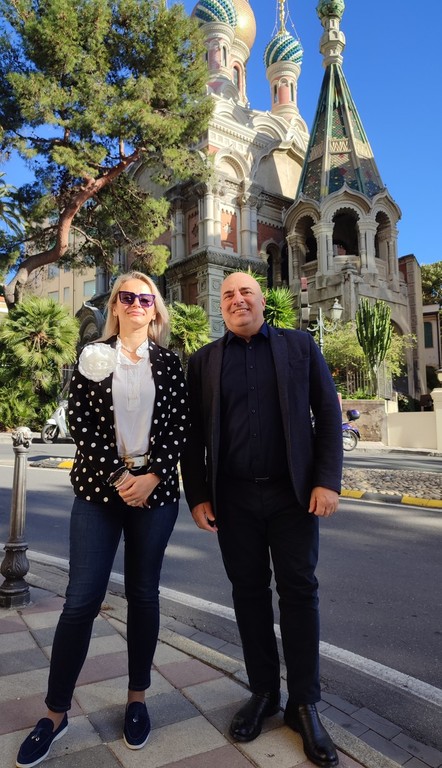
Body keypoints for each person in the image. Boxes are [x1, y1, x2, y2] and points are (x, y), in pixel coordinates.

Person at [16, 271, 188, 767]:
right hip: (98, 492)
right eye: (126, 297)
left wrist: (152, 476)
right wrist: (121, 477)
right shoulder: (93, 356)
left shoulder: (169, 363)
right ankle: (55, 714)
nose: (136, 304)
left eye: (145, 298)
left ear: (155, 309)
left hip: (155, 494)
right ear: (114, 306)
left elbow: (179, 425)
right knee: (80, 601)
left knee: (144, 595)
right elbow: (83, 426)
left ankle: (136, 700)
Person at [181, 272, 343, 768]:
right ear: (221, 306)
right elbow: (192, 434)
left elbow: (327, 413)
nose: (237, 300)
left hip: (293, 496)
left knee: (299, 593)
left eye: (245, 292)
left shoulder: (300, 347)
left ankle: (304, 704)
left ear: (262, 300)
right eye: (228, 295)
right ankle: (264, 694)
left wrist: (327, 481)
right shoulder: (204, 361)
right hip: (233, 501)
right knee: (248, 595)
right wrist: (198, 495)